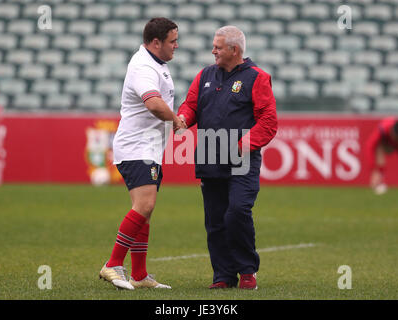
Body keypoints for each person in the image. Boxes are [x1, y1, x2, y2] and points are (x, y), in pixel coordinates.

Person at [177, 26, 277, 290]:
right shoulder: (205, 75)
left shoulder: (257, 78)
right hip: (209, 154)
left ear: (234, 50)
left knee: (237, 212)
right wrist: (184, 118)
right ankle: (222, 276)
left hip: (242, 159)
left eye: (218, 47)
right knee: (215, 220)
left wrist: (244, 144)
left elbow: (268, 121)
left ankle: (247, 271)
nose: (213, 51)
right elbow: (191, 105)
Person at [99, 17, 185, 290]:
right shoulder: (143, 67)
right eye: (172, 41)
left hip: (147, 148)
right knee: (144, 206)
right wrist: (175, 119)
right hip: (137, 148)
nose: (176, 45)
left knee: (145, 211)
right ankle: (112, 264)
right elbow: (154, 105)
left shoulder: (156, 64)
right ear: (156, 42)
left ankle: (139, 275)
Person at [365, 117, 398, 194]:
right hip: (387, 144)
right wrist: (373, 169)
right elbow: (370, 146)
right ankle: (378, 182)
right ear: (391, 132)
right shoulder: (384, 128)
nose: (397, 139)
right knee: (378, 149)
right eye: (395, 137)